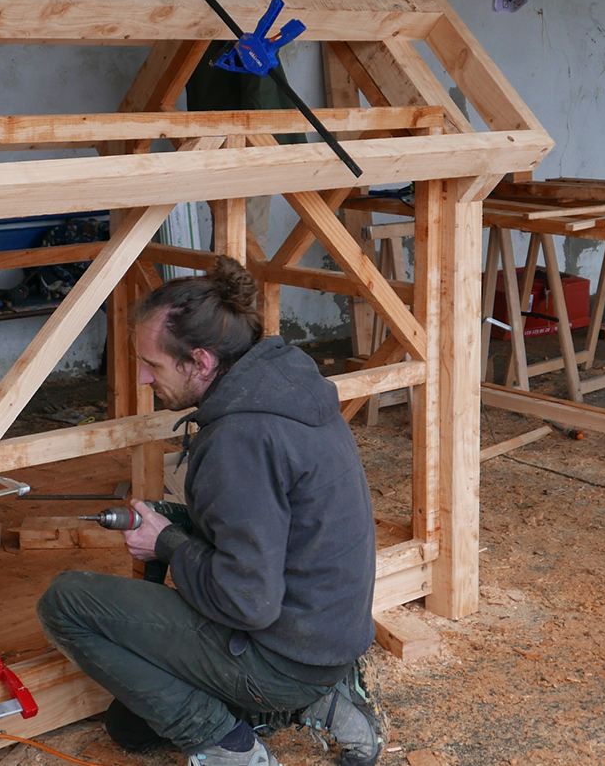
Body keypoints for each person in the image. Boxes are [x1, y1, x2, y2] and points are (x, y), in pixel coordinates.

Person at [37, 257, 384, 766]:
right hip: (322, 640)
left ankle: (229, 747)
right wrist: (178, 525)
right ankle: (322, 700)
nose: (142, 377)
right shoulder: (284, 388)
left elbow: (247, 602)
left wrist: (167, 543)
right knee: (130, 728)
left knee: (65, 602)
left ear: (200, 362)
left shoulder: (240, 438)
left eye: (153, 364)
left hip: (283, 656)